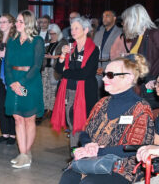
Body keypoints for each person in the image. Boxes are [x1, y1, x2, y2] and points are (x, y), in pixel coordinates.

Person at [32, 56, 155, 184]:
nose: (104, 78)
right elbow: (85, 132)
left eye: (110, 75)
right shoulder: (102, 103)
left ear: (128, 78)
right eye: (104, 74)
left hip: (124, 169)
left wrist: (98, 151)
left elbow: (136, 147)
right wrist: (89, 144)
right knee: (69, 176)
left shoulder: (141, 109)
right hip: (95, 162)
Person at [110, 4, 159, 102]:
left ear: (134, 19)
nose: (124, 24)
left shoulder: (154, 34)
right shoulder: (137, 37)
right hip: (139, 86)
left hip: (150, 88)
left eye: (126, 20)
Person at [4, 10, 45, 168]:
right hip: (13, 82)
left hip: (30, 82)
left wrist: (21, 82)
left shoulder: (37, 41)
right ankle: (22, 153)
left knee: (29, 119)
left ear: (28, 23)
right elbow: (7, 64)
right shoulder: (12, 41)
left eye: (20, 21)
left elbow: (37, 66)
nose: (17, 24)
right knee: (18, 118)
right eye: (17, 21)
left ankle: (26, 154)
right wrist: (12, 82)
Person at [51, 16, 99, 148]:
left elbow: (85, 74)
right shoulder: (70, 48)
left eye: (76, 28)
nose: (73, 31)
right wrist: (62, 55)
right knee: (72, 124)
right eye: (72, 29)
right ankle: (74, 154)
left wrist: (66, 72)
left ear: (86, 30)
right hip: (69, 91)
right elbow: (58, 69)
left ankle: (85, 153)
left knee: (84, 125)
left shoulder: (93, 49)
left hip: (86, 92)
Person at [0, 14, 17, 145]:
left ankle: (13, 134)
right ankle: (5, 133)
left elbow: (17, 58)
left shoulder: (15, 38)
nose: (1, 24)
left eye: (4, 22)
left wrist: (5, 55)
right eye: (0, 22)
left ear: (11, 23)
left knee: (10, 104)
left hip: (9, 74)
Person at [93, 10, 122, 83]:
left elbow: (119, 55)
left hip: (112, 71)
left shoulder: (120, 33)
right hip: (96, 70)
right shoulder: (98, 33)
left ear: (114, 18)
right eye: (103, 16)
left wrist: (105, 68)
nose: (104, 18)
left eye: (107, 16)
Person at [41, 23, 63, 115]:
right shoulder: (47, 42)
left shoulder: (62, 42)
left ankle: (53, 110)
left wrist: (53, 57)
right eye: (50, 33)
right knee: (44, 89)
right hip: (45, 68)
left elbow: (64, 55)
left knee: (53, 90)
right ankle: (45, 109)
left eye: (54, 33)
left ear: (58, 33)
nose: (52, 35)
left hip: (55, 69)